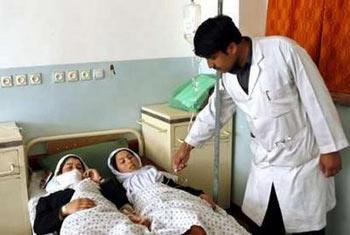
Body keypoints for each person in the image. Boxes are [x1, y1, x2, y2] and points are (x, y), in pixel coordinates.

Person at [172, 15, 348, 235]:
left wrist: (330, 148)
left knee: (307, 229)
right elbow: (215, 111)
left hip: (299, 162)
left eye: (213, 57)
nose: (210, 65)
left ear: (232, 47)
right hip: (265, 165)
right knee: (264, 226)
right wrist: (187, 145)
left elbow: (316, 97)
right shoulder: (228, 76)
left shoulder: (283, 51)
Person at [108, 147, 250, 235]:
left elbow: (177, 187)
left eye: (130, 156)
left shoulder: (153, 173)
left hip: (173, 196)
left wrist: (199, 193)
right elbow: (120, 203)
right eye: (122, 161)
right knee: (163, 222)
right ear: (116, 170)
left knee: (199, 212)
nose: (129, 161)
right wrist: (132, 215)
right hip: (149, 205)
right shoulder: (120, 185)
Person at [33, 154, 150, 235]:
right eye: (69, 167)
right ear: (59, 174)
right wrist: (65, 210)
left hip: (112, 219)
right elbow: (39, 227)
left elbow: (121, 200)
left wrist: (99, 180)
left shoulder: (97, 185)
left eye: (79, 167)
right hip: (78, 226)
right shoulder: (50, 197)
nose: (75, 170)